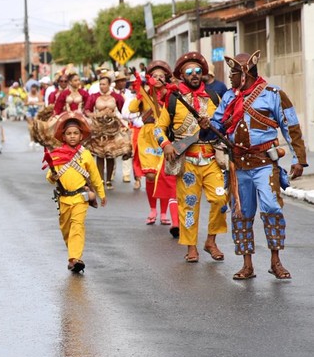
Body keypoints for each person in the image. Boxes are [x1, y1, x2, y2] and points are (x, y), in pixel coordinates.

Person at [210, 51, 307, 280]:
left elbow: (291, 126)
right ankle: (247, 265)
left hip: (265, 163)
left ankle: (275, 261)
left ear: (245, 74)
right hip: (238, 165)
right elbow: (217, 123)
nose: (230, 77)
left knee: (272, 208)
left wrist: (298, 158)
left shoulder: (273, 94)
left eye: (234, 73)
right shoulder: (228, 97)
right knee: (241, 213)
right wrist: (208, 125)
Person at [155, 52, 227, 263]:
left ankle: (211, 241)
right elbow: (158, 128)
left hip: (212, 160)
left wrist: (213, 127)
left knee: (221, 200)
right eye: (189, 72)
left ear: (203, 73)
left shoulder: (214, 97)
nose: (194, 74)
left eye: (197, 71)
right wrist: (166, 144)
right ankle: (191, 247)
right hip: (187, 162)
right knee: (189, 205)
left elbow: (225, 125)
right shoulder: (173, 99)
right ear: (182, 75)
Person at [44, 112, 107, 273]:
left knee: (77, 226)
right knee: (66, 229)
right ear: (63, 136)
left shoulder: (85, 154)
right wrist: (52, 176)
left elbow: (95, 175)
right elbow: (50, 177)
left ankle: (75, 258)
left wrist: (101, 193)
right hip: (64, 199)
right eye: (69, 133)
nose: (72, 136)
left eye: (75, 133)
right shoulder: (57, 154)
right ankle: (73, 253)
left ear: (81, 136)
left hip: (80, 197)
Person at [128, 61, 178, 232]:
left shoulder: (170, 95)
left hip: (164, 136)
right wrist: (139, 94)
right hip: (147, 136)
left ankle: (163, 212)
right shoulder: (145, 94)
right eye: (154, 76)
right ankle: (152, 209)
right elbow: (132, 109)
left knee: (163, 175)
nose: (157, 79)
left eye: (161, 76)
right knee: (150, 175)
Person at [83, 74, 129, 189]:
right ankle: (100, 180)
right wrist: (95, 115)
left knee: (110, 154)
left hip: (112, 128)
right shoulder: (94, 96)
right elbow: (87, 110)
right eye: (100, 84)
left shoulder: (116, 97)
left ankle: (108, 180)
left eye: (104, 84)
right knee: (99, 154)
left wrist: (119, 119)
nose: (102, 86)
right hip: (98, 128)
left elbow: (123, 110)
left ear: (109, 85)